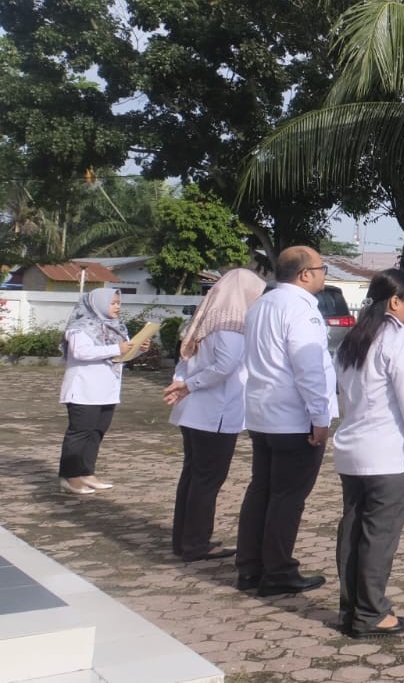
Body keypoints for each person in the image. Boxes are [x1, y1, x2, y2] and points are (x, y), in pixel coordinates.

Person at [333, 269, 404, 638]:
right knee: (379, 535)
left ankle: (351, 609)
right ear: (395, 301)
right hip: (388, 455)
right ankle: (371, 614)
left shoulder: (352, 341)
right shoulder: (402, 341)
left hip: (353, 450)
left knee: (352, 531)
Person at [235, 246, 336, 596]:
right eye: (322, 268)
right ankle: (277, 571)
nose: (324, 275)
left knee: (261, 491)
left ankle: (250, 567)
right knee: (287, 497)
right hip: (294, 418)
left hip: (263, 413)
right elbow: (309, 369)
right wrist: (320, 417)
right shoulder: (301, 309)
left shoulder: (261, 304)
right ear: (305, 274)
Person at [162, 269, 267, 562]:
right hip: (215, 413)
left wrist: (183, 383)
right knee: (207, 480)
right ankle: (196, 543)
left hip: (195, 410)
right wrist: (189, 385)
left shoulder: (205, 321)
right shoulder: (231, 326)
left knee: (193, 476)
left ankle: (184, 539)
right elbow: (224, 367)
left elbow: (184, 361)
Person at [58, 289, 147, 495]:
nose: (117, 307)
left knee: (97, 431)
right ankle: (69, 476)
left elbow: (123, 356)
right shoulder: (79, 327)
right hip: (84, 389)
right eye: (112, 303)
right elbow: (80, 352)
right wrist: (117, 348)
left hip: (108, 389)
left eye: (118, 303)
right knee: (79, 433)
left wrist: (139, 349)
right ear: (98, 303)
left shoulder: (117, 327)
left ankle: (86, 472)